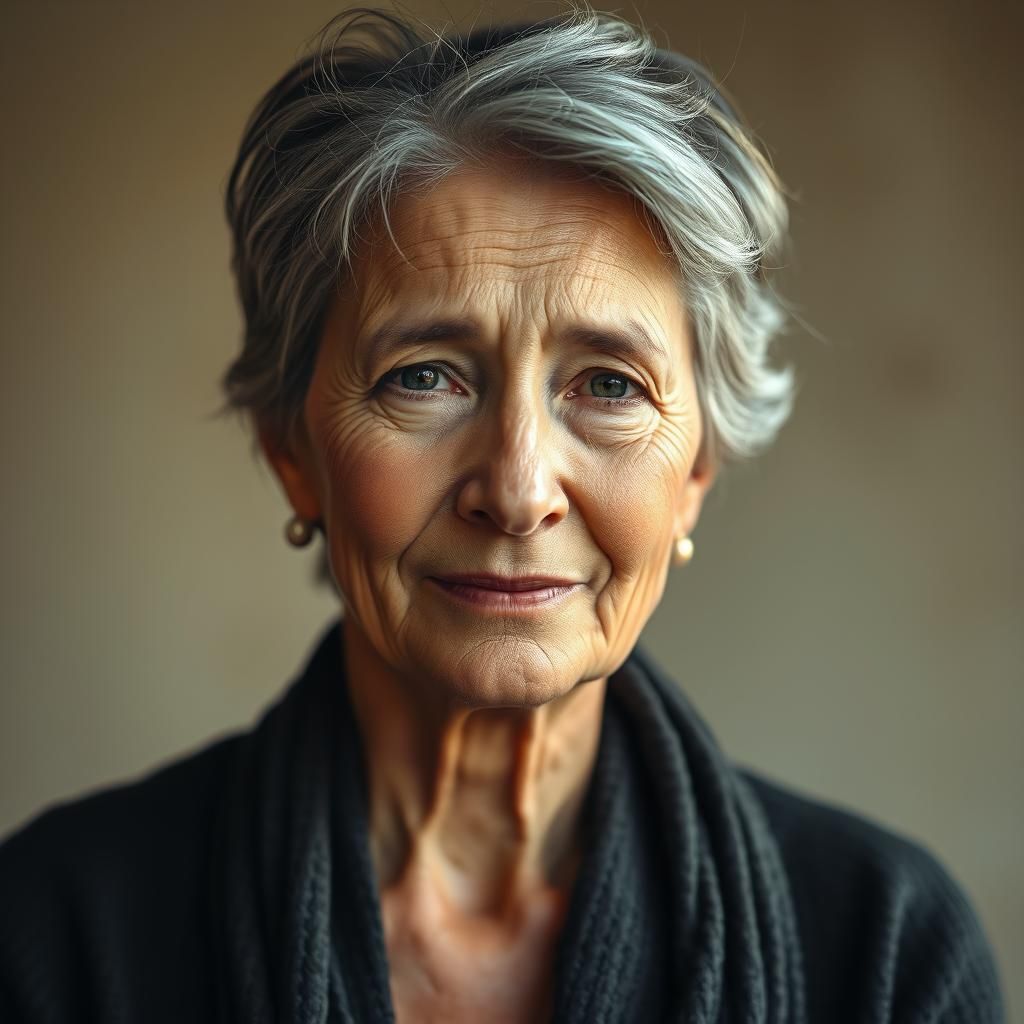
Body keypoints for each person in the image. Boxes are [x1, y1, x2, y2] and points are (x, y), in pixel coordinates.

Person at [0, 5, 1006, 1022]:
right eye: (424, 376)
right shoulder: (64, 932)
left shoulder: (882, 950)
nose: (519, 490)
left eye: (609, 386)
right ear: (290, 451)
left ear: (696, 466)